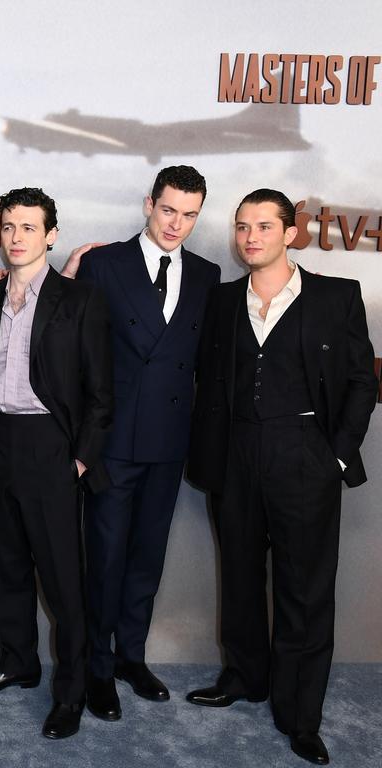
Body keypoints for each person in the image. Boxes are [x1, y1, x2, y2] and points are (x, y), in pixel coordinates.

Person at [186, 189, 377, 766]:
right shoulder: (220, 301)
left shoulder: (336, 297)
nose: (250, 237)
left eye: (264, 227)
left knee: (305, 591)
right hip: (237, 453)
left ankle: (300, 714)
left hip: (304, 456)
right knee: (241, 577)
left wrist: (336, 456)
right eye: (243, 227)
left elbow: (361, 382)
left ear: (290, 233)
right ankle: (244, 677)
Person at [70, 166, 220, 719]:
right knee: (105, 559)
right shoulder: (103, 264)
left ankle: (132, 656)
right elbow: (76, 359)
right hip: (111, 444)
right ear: (147, 205)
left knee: (147, 557)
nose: (177, 223)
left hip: (168, 441)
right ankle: (98, 667)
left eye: (189, 214)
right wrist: (83, 445)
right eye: (168, 210)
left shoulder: (207, 274)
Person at [0, 187, 112, 739]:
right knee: (7, 564)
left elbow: (101, 393)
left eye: (28, 227)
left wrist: (79, 459)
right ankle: (18, 662)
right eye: (8, 227)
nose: (16, 237)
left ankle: (70, 693)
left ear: (51, 235)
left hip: (50, 445)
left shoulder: (80, 300)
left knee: (61, 578)